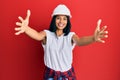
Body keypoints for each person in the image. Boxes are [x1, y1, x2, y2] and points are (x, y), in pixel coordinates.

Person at [15, 4, 108, 80]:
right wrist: (26, 29)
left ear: (68, 21)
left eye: (64, 18)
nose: (61, 21)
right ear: (54, 19)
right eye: (58, 18)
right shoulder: (47, 35)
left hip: (67, 75)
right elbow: (37, 35)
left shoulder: (70, 36)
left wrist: (93, 38)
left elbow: (79, 41)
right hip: (50, 74)